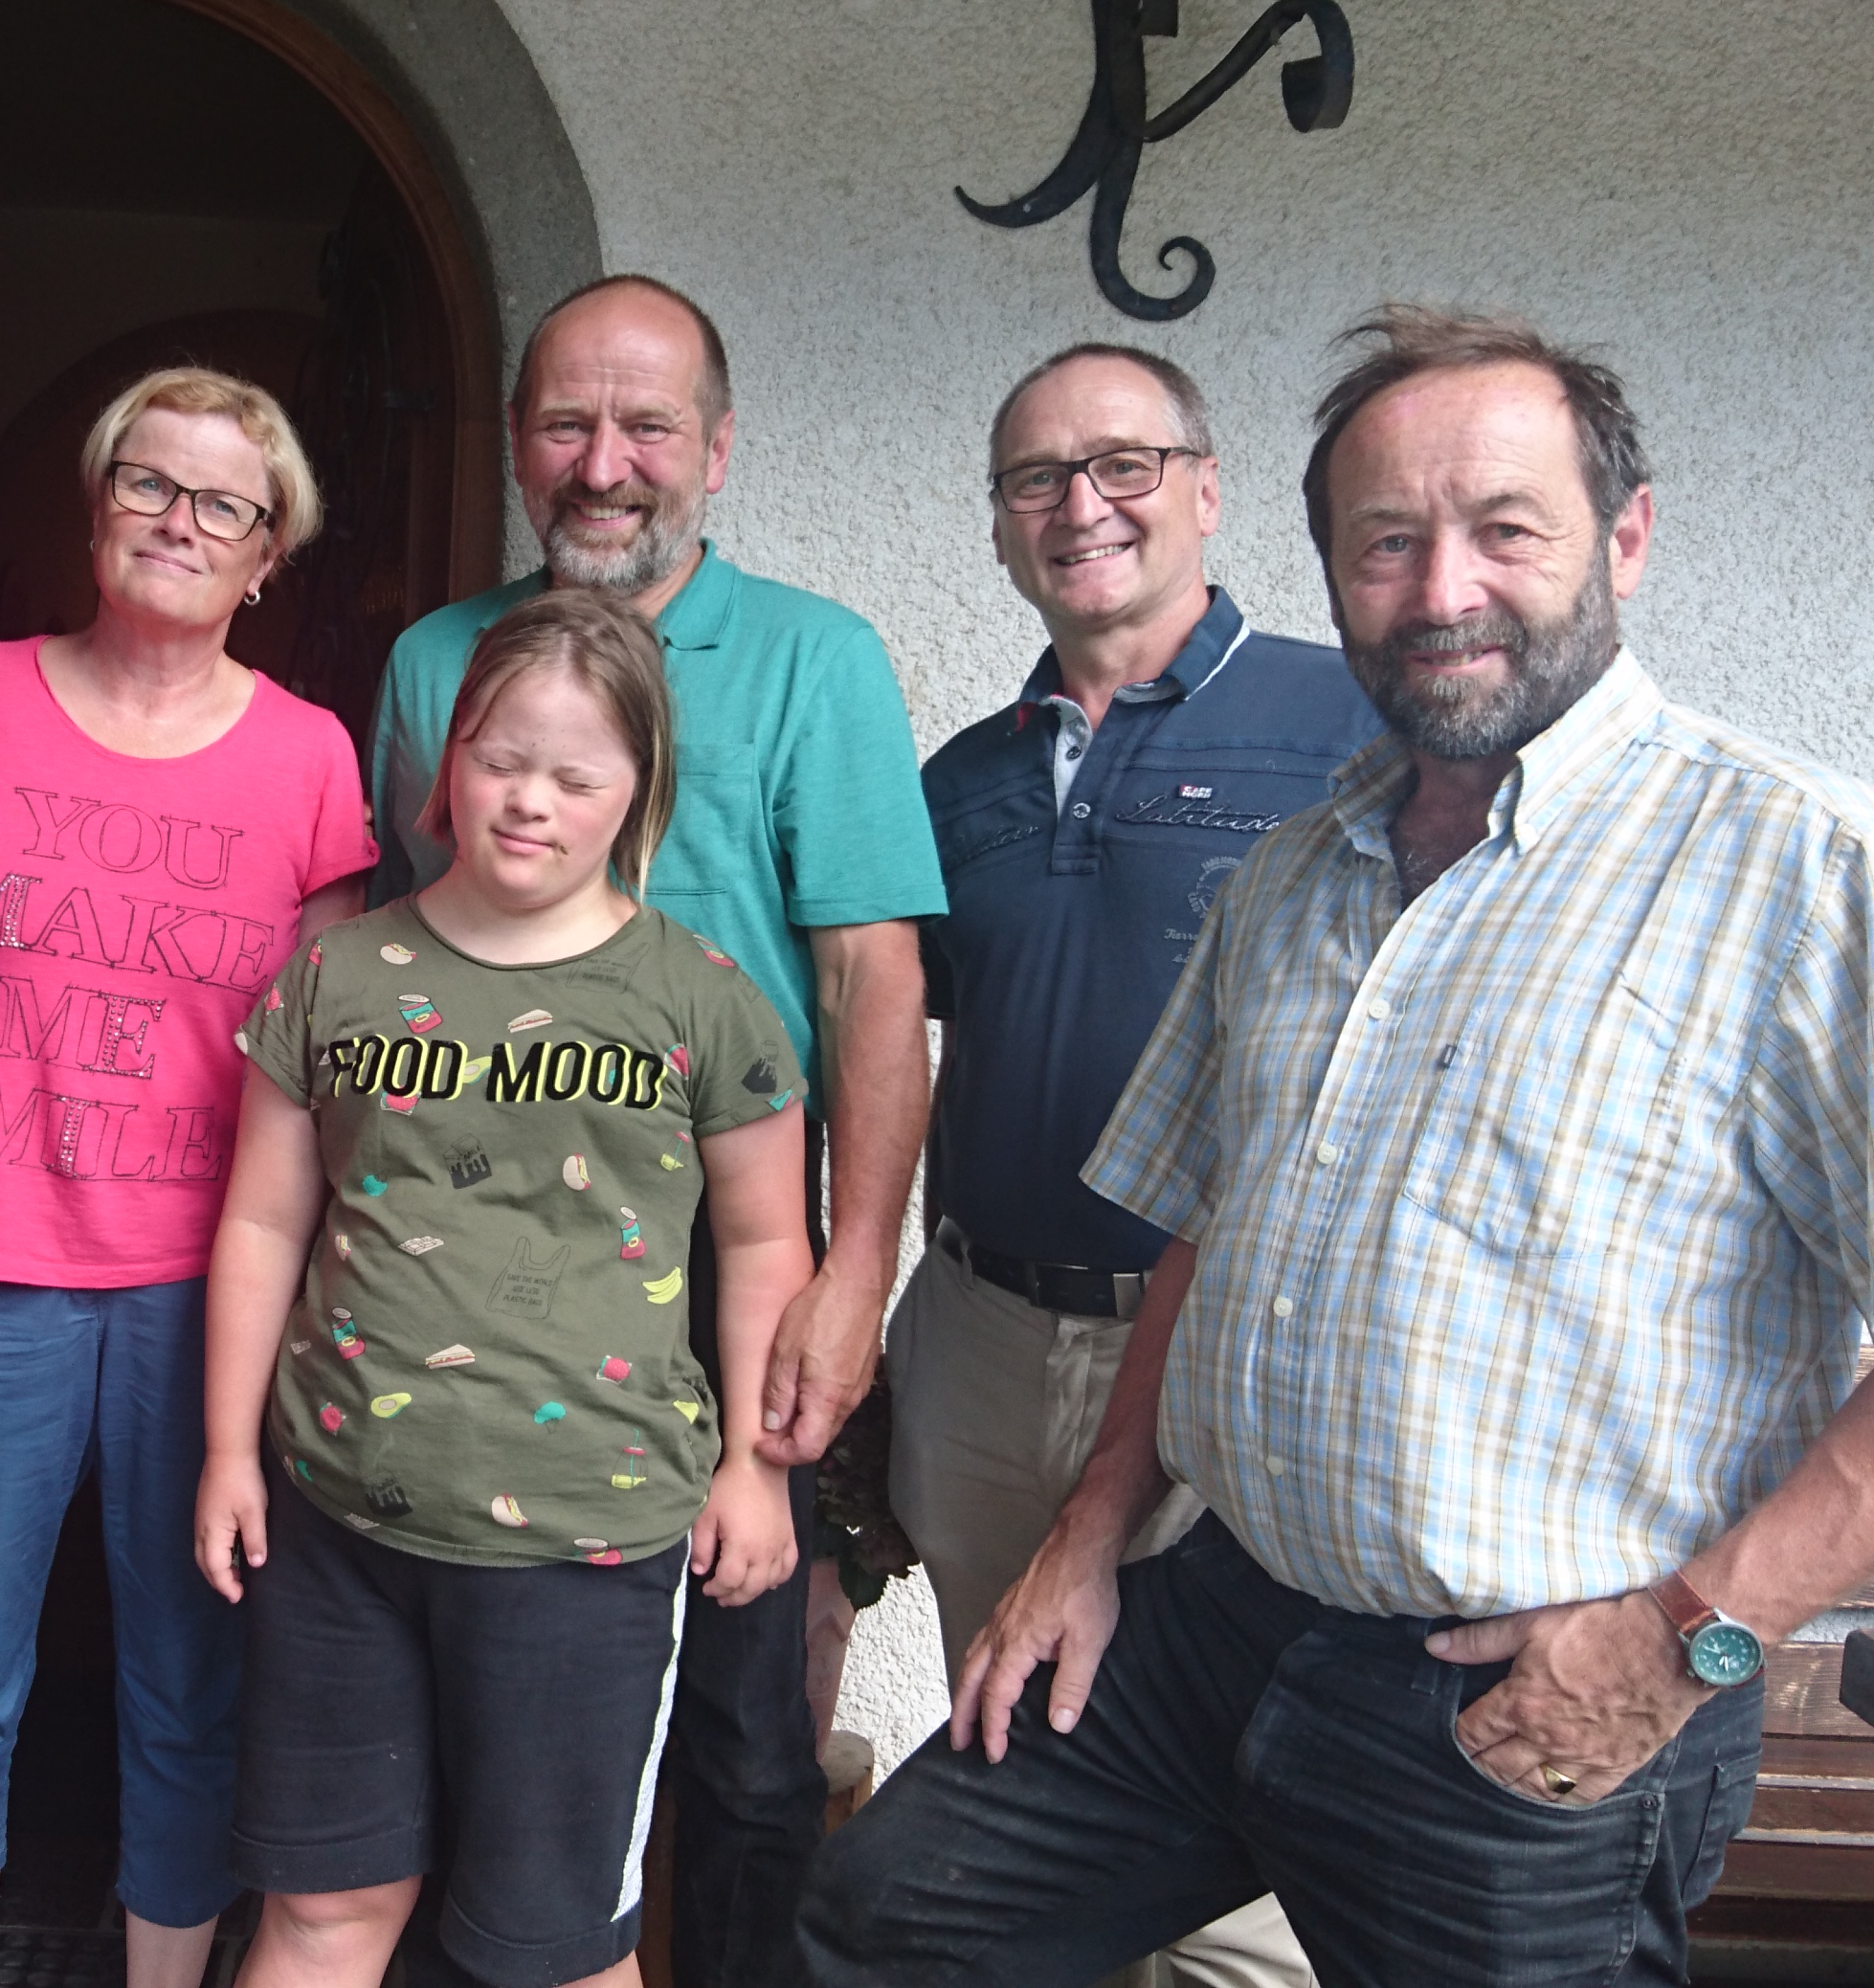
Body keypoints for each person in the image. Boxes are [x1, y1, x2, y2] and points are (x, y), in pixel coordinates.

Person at [794, 307, 1874, 1986]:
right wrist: (1091, 1533)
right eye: (1387, 542)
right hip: (1219, 1617)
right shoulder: (1296, 872)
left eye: (1505, 529)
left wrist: (1682, 1640)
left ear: (1625, 536)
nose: (1442, 588)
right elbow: (1204, 1227)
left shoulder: (1809, 867)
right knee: (886, 1920)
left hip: (1516, 1688)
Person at [366, 276, 941, 1981]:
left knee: (745, 1718)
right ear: (516, 441)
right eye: (566, 422)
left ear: (718, 447)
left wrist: (855, 1272)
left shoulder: (817, 659)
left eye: (647, 426)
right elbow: (402, 953)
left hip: (725, 1239)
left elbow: (873, 983)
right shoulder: (433, 661)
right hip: (469, 1228)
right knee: (475, 1681)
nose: (604, 464)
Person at [204, 590, 813, 1988]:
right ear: (449, 759)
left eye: (576, 778)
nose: (530, 801)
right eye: (499, 760)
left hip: (585, 1546)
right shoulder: (338, 976)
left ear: (639, 789)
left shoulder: (703, 999)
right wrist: (230, 1450)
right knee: (321, 1913)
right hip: (338, 1522)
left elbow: (769, 1246)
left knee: (556, 1951)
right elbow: (262, 1222)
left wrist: (758, 1468)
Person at [0, 368, 373, 1988]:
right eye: (147, 483)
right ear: (97, 507)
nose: (180, 521)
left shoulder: (309, 761)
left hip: (199, 1298)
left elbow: (316, 1077)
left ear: (268, 554)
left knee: (190, 1686)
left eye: (225, 503)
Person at [894, 345, 1372, 1988]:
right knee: (1017, 1799)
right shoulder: (961, 779)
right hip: (978, 1339)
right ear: (1000, 525)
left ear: (1208, 490)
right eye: (1036, 478)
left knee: (1231, 1848)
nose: (1080, 505)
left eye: (1123, 464)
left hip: (1227, 1355)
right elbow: (908, 1050)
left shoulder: (1351, 724)